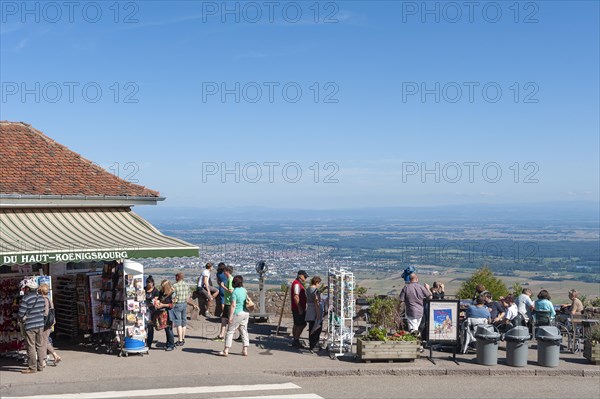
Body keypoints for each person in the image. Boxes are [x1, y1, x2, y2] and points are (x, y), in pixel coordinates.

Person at [18, 278, 46, 373]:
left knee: (31, 346)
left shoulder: (26, 298)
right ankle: (40, 366)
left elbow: (21, 314)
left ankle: (32, 368)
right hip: (40, 325)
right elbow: (43, 311)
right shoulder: (41, 298)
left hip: (30, 325)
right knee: (40, 346)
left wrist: (22, 317)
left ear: (29, 289)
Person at [218, 275, 249, 357]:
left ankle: (226, 350)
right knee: (244, 331)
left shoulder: (235, 292)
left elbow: (233, 305)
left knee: (230, 331)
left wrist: (230, 317)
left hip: (238, 313)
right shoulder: (244, 290)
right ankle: (245, 349)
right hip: (245, 312)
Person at [39, 283, 61, 366]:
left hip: (45, 322)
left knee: (43, 341)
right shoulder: (49, 298)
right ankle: (55, 356)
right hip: (50, 322)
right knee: (45, 340)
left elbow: (45, 313)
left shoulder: (44, 299)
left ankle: (44, 360)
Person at [213, 266, 234, 342]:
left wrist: (223, 287)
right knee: (224, 319)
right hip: (227, 302)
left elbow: (231, 291)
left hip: (229, 303)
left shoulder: (231, 279)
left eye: (224, 271)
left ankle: (241, 335)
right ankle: (221, 335)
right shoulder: (230, 279)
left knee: (231, 321)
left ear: (227, 271)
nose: (223, 273)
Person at [304, 276, 323, 352]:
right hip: (314, 311)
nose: (319, 285)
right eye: (319, 283)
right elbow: (316, 302)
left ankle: (312, 344)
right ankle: (315, 345)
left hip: (309, 309)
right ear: (316, 282)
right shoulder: (315, 290)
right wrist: (318, 315)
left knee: (311, 328)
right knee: (316, 329)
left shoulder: (308, 289)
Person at [291, 270, 309, 348]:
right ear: (300, 276)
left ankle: (295, 339)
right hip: (298, 308)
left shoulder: (297, 284)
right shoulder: (297, 285)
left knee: (296, 324)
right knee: (301, 324)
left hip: (296, 307)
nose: (305, 278)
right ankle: (296, 340)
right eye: (304, 276)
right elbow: (296, 296)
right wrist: (300, 308)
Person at [172, 272, 190, 346]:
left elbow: (173, 296)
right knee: (184, 322)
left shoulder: (175, 285)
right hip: (184, 304)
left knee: (178, 322)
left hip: (178, 304)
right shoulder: (187, 285)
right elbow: (189, 295)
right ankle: (183, 338)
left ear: (177, 277)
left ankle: (179, 340)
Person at [157, 280, 176, 351]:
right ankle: (168, 343)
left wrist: (163, 305)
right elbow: (159, 299)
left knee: (169, 329)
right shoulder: (161, 292)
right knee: (166, 329)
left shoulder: (172, 293)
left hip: (168, 312)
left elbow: (172, 305)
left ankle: (171, 345)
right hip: (162, 312)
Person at [145, 276, 159, 349]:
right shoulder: (144, 289)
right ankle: (143, 341)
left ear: (152, 283)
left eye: (149, 283)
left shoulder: (155, 291)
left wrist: (150, 303)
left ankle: (149, 343)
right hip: (144, 310)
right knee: (144, 326)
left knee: (150, 327)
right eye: (147, 282)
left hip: (152, 310)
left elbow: (156, 300)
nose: (148, 284)